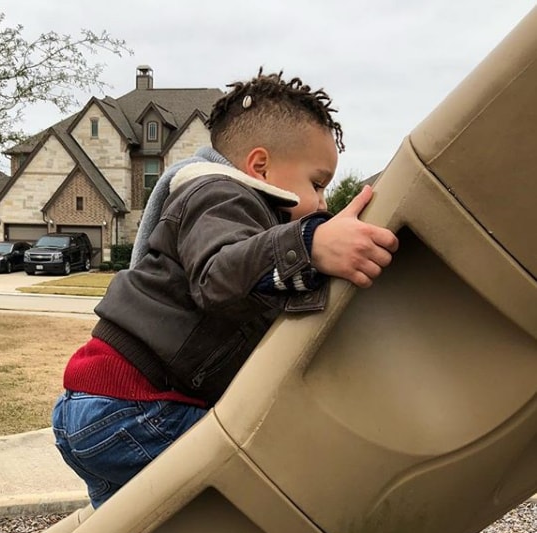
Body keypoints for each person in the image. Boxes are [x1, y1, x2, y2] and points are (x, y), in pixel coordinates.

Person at [52, 69, 399, 509]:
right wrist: (309, 245)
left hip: (100, 406)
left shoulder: (237, 218)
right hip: (136, 409)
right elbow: (218, 276)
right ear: (260, 167)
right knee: (269, 475)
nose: (324, 203)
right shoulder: (221, 195)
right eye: (317, 184)